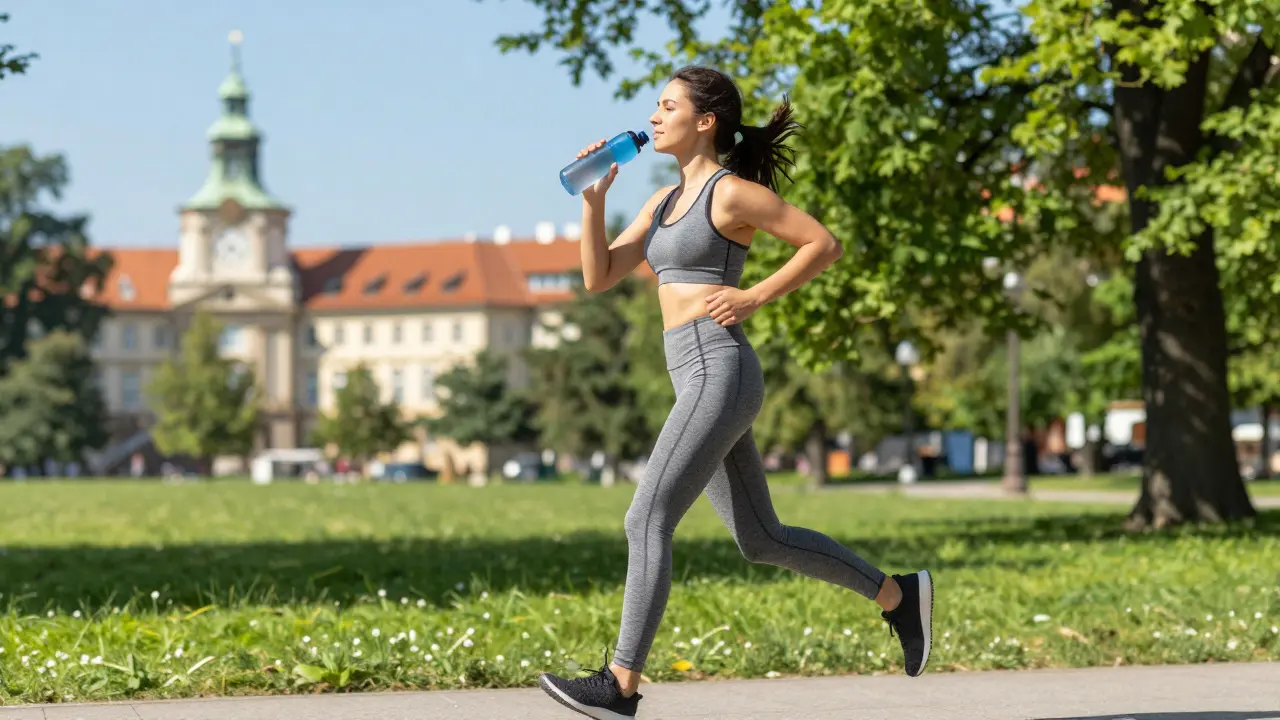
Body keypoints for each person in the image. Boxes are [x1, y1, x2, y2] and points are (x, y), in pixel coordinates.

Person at [537, 66, 935, 720]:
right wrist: (591, 200)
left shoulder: (730, 195)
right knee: (761, 538)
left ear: (706, 121)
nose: (655, 116)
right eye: (655, 107)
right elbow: (599, 276)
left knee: (646, 516)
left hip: (718, 367)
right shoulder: (659, 204)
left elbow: (821, 243)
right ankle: (899, 597)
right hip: (696, 375)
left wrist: (755, 295)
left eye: (669, 106)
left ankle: (621, 684)